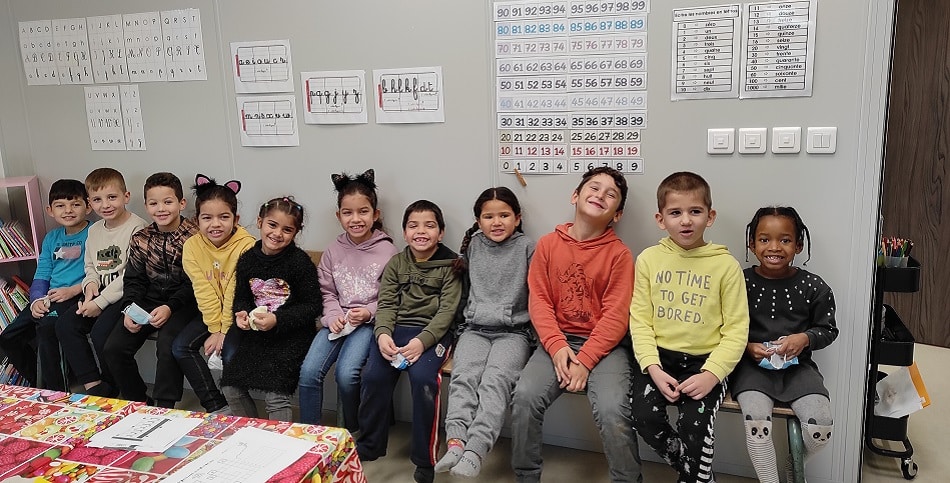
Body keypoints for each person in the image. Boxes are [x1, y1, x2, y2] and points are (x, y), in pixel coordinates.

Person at [511, 167, 641, 483]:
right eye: (593, 188)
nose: (600, 195)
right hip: (556, 340)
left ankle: (628, 479)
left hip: (606, 347)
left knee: (613, 412)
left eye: (610, 194)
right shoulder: (547, 245)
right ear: (575, 196)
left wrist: (584, 361)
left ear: (617, 213)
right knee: (525, 397)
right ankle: (526, 476)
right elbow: (539, 301)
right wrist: (556, 348)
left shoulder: (619, 255)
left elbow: (616, 317)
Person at [629, 171, 749, 483]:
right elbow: (639, 320)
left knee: (694, 427)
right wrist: (652, 367)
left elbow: (736, 330)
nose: (686, 221)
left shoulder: (726, 266)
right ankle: (695, 472)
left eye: (695, 212)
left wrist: (711, 375)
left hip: (706, 362)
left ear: (710, 217)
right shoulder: (648, 260)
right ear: (660, 219)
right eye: (675, 213)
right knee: (643, 417)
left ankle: (694, 475)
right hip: (659, 360)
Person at [357, 200, 461, 483]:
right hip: (396, 330)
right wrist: (382, 335)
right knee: (373, 376)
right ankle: (370, 445)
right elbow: (387, 304)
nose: (421, 231)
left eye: (429, 225)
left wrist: (422, 342)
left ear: (441, 232)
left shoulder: (452, 265)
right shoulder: (397, 263)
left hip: (432, 334)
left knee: (424, 381)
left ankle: (424, 459)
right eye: (413, 225)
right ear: (404, 232)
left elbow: (446, 313)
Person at [732, 206, 838, 483]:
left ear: (799, 245)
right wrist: (746, 346)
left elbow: (828, 330)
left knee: (822, 429)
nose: (774, 247)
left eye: (785, 240)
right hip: (751, 370)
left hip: (799, 369)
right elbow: (720, 326)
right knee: (757, 423)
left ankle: (794, 467)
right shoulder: (737, 281)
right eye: (765, 239)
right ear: (751, 244)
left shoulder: (814, 286)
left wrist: (804, 338)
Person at [435, 187, 534, 478]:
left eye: (504, 215)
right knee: (464, 379)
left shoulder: (529, 247)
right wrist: (462, 328)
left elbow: (538, 297)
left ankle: (475, 450)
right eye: (488, 216)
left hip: (513, 334)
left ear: (517, 217)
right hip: (475, 330)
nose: (497, 222)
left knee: (494, 382)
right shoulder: (474, 246)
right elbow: (462, 294)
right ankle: (455, 443)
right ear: (478, 220)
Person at [298, 169, 397, 429]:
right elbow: (327, 291)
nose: (356, 219)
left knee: (346, 374)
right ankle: (310, 431)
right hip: (337, 321)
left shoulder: (388, 250)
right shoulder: (333, 250)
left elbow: (392, 296)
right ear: (338, 216)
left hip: (368, 324)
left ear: (375, 215)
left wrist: (368, 312)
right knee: (309, 372)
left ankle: (350, 431)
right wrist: (332, 317)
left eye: (363, 212)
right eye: (348, 213)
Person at [100, 172, 200, 407]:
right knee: (113, 348)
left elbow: (194, 283)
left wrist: (170, 307)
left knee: (167, 344)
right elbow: (134, 280)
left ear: (181, 203)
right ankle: (139, 402)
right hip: (149, 299)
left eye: (168, 202)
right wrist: (128, 308)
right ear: (146, 206)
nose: (161, 209)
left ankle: (165, 406)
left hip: (184, 303)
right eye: (153, 203)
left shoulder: (195, 237)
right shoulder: (141, 238)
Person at [219, 196, 321, 421]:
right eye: (272, 225)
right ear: (259, 222)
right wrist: (242, 313)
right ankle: (251, 430)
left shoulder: (299, 263)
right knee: (230, 387)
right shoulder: (247, 260)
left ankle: (278, 441)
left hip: (291, 337)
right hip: (256, 335)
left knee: (276, 396)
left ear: (295, 233)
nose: (277, 234)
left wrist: (278, 320)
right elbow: (241, 298)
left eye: (287, 229)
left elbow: (313, 306)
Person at [55, 167, 147, 397]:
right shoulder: (94, 230)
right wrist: (89, 290)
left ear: (126, 197)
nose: (105, 205)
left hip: (127, 294)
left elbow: (132, 274)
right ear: (90, 203)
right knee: (65, 325)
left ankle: (127, 391)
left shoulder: (138, 227)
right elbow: (90, 266)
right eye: (97, 199)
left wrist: (101, 302)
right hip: (99, 293)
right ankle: (95, 386)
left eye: (112, 197)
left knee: (101, 334)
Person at [0, 179, 91, 391]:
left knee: (48, 328)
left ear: (87, 206)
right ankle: (37, 382)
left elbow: (97, 271)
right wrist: (36, 299)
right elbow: (42, 272)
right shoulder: (52, 238)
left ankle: (56, 390)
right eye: (60, 205)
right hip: (48, 297)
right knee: (9, 336)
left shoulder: (93, 233)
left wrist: (73, 290)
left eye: (75, 204)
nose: (68, 210)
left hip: (74, 296)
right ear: (50, 210)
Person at [175, 174, 255, 413]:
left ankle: (243, 411)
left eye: (224, 217)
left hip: (241, 313)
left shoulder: (247, 245)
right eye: (207, 218)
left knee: (229, 352)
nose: (215, 224)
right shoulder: (192, 247)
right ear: (196, 220)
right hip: (211, 313)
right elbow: (203, 289)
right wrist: (214, 328)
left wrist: (223, 330)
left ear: (236, 218)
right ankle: (216, 405)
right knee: (180, 347)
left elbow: (235, 290)